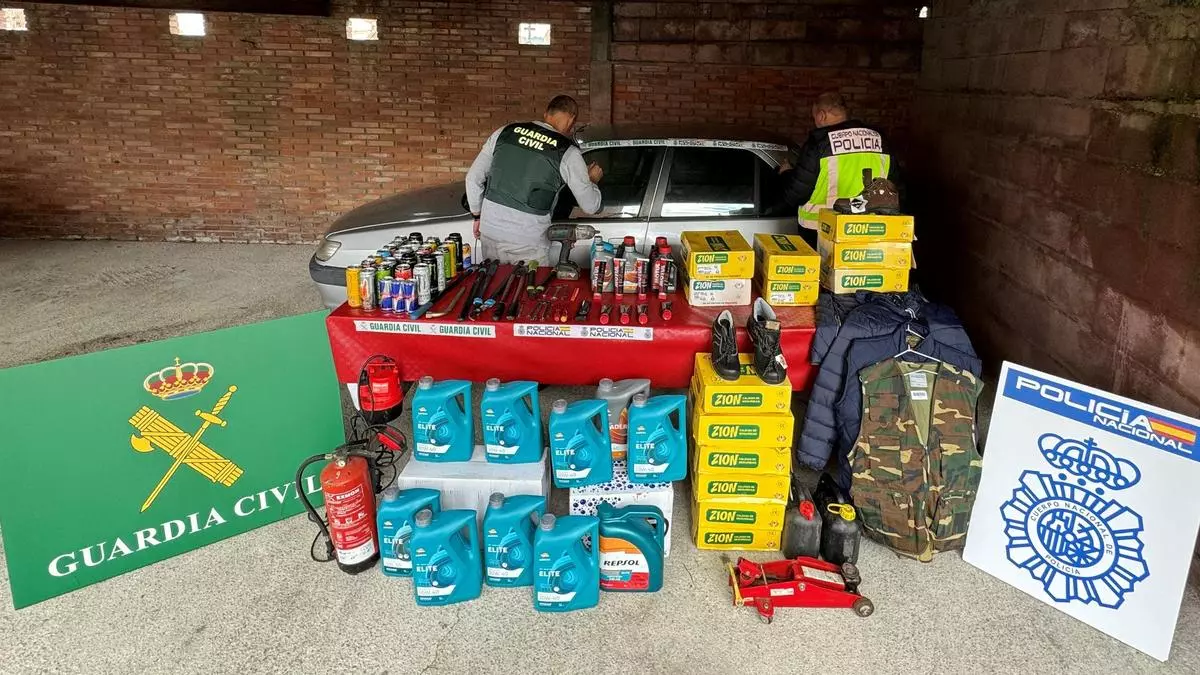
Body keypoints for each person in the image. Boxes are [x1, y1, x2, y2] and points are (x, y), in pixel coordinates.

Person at [465, 95, 603, 266]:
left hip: (491, 232)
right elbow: (590, 206)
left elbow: (473, 178)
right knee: (528, 283)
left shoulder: (505, 132)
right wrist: (592, 181)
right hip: (527, 240)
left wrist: (477, 216)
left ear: (546, 114)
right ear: (572, 119)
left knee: (493, 280)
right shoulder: (567, 151)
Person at [775, 93, 895, 244]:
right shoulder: (879, 139)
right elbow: (895, 189)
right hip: (870, 229)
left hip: (823, 230)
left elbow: (796, 194)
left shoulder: (820, 142)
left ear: (821, 115)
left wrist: (786, 173)